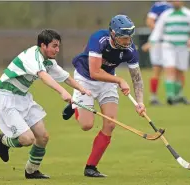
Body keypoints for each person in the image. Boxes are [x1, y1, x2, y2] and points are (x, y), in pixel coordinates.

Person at [0, 29, 91, 179]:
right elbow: (43, 76)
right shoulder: (32, 56)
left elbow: (64, 76)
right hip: (7, 98)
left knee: (43, 137)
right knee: (27, 139)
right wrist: (62, 92)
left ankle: (31, 171)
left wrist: (81, 88)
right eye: (54, 46)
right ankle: (3, 140)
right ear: (43, 45)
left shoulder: (48, 61)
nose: (57, 50)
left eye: (58, 46)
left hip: (23, 97)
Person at [62, 15, 146, 177]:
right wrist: (119, 80)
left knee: (110, 124)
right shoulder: (99, 39)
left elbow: (137, 78)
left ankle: (91, 167)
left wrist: (140, 102)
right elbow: (94, 72)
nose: (127, 41)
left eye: (129, 37)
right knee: (86, 125)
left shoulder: (130, 50)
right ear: (113, 34)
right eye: (123, 38)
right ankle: (75, 105)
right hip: (85, 79)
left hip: (107, 82)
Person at [149, 0, 190, 105]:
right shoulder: (166, 15)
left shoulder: (189, 14)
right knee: (170, 69)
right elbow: (158, 30)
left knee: (180, 71)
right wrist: (152, 41)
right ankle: (170, 97)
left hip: (183, 47)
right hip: (168, 46)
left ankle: (178, 95)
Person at [142, 1, 173, 105]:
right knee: (158, 70)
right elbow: (150, 21)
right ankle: (154, 97)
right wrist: (159, 33)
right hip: (159, 44)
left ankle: (174, 96)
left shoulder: (173, 7)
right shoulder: (159, 6)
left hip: (168, 43)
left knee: (172, 70)